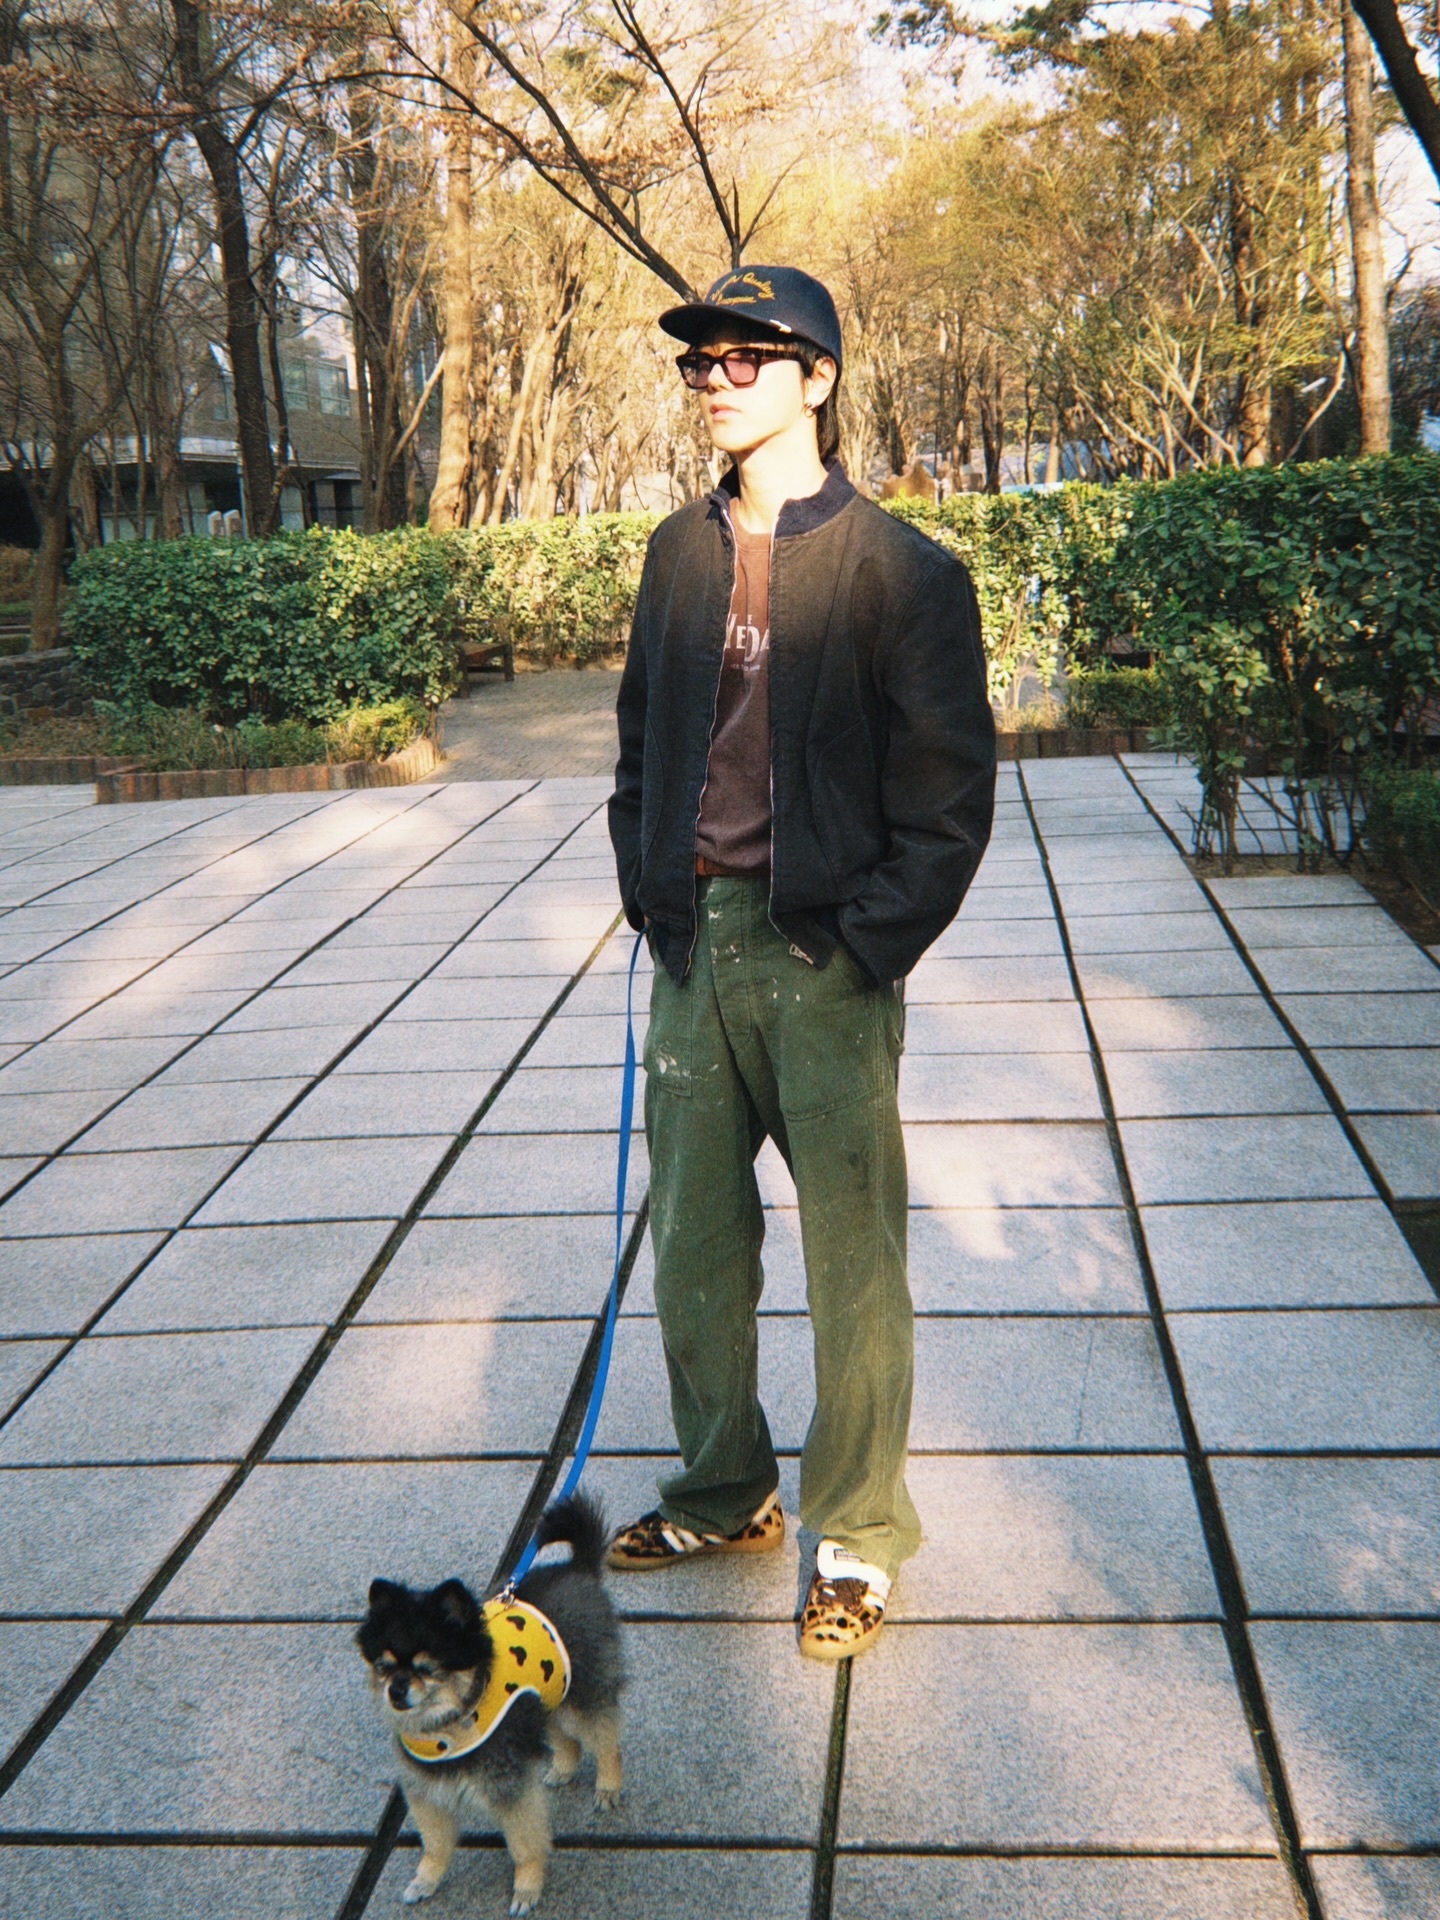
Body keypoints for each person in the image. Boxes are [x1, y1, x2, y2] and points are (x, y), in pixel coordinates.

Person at [606, 265, 995, 1660]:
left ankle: (859, 1533)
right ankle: (726, 1492)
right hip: (692, 949)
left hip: (821, 953)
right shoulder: (676, 553)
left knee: (853, 1261)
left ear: (818, 376)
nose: (715, 379)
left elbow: (948, 802)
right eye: (698, 360)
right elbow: (642, 745)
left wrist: (861, 944)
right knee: (695, 1247)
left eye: (747, 356)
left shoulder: (904, 572)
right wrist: (650, 887)